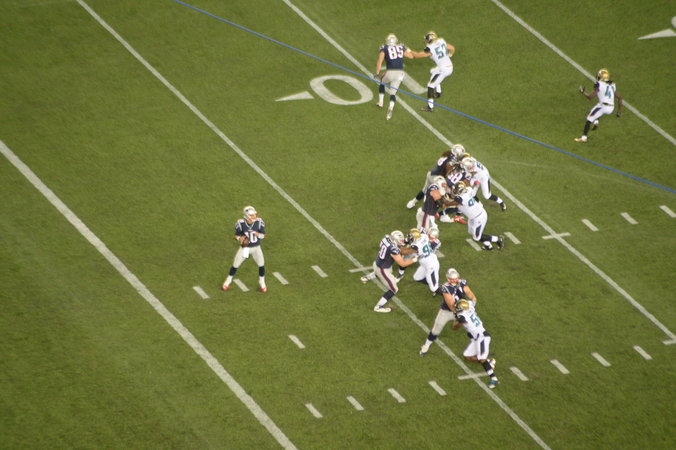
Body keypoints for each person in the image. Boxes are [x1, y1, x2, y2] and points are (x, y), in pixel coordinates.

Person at [419, 268, 499, 389]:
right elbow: (454, 304)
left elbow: (456, 325)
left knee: (477, 346)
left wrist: (459, 319)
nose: (454, 280)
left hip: (477, 331)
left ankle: (492, 376)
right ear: (448, 279)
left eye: (455, 278)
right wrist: (462, 312)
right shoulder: (451, 292)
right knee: (438, 330)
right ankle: (426, 346)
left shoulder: (463, 305)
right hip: (449, 311)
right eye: (452, 278)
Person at [361, 230, 418, 313]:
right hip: (382, 270)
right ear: (395, 240)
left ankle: (367, 277)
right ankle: (378, 307)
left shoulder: (386, 238)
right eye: (400, 240)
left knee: (386, 271)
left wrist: (405, 241)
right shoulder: (393, 249)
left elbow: (396, 245)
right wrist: (414, 259)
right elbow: (402, 264)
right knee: (394, 289)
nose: (402, 241)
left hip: (377, 263)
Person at [222, 206, 267, 292]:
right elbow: (236, 235)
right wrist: (239, 238)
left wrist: (258, 235)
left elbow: (264, 235)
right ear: (247, 216)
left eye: (254, 214)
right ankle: (228, 280)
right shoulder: (241, 223)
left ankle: (262, 281)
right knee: (235, 265)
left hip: (256, 247)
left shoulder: (259, 222)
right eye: (252, 215)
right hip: (245, 248)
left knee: (261, 265)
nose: (255, 216)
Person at [406, 144, 466, 210]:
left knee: (425, 190)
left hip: (431, 174)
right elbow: (447, 174)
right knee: (442, 196)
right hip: (437, 179)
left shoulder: (446, 154)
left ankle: (413, 202)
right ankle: (426, 209)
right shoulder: (452, 161)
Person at [409, 31, 455, 112]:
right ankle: (438, 92)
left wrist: (409, 51)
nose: (425, 41)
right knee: (433, 71)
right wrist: (449, 56)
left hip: (443, 69)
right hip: (449, 66)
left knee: (430, 85)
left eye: (426, 39)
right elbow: (452, 48)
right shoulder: (441, 41)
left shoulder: (430, 48)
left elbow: (418, 55)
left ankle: (430, 107)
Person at [575, 68, 623, 143]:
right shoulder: (612, 84)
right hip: (611, 108)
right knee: (595, 109)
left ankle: (584, 138)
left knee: (588, 118)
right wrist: (619, 112)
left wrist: (583, 92)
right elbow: (619, 98)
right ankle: (596, 121)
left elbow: (590, 97)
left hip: (603, 106)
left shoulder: (598, 84)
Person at [453, 181, 504, 250]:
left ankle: (497, 239)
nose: (455, 191)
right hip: (473, 216)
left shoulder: (463, 198)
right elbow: (471, 194)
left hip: (479, 218)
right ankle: (488, 246)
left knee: (476, 237)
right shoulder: (468, 190)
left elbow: (454, 202)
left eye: (456, 190)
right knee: (471, 232)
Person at [375, 33, 414, 120]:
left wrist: (377, 72)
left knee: (382, 81)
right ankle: (391, 108)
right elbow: (411, 56)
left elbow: (380, 61)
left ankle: (381, 102)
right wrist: (407, 49)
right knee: (393, 93)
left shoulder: (385, 48)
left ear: (387, 41)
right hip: (400, 73)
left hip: (390, 72)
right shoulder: (400, 47)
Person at [410, 227, 442, 294]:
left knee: (433, 288)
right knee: (417, 277)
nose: (431, 239)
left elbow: (417, 250)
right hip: (425, 262)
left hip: (431, 264)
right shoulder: (424, 236)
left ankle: (447, 293)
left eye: (433, 238)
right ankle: (436, 285)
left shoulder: (433, 242)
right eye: (430, 237)